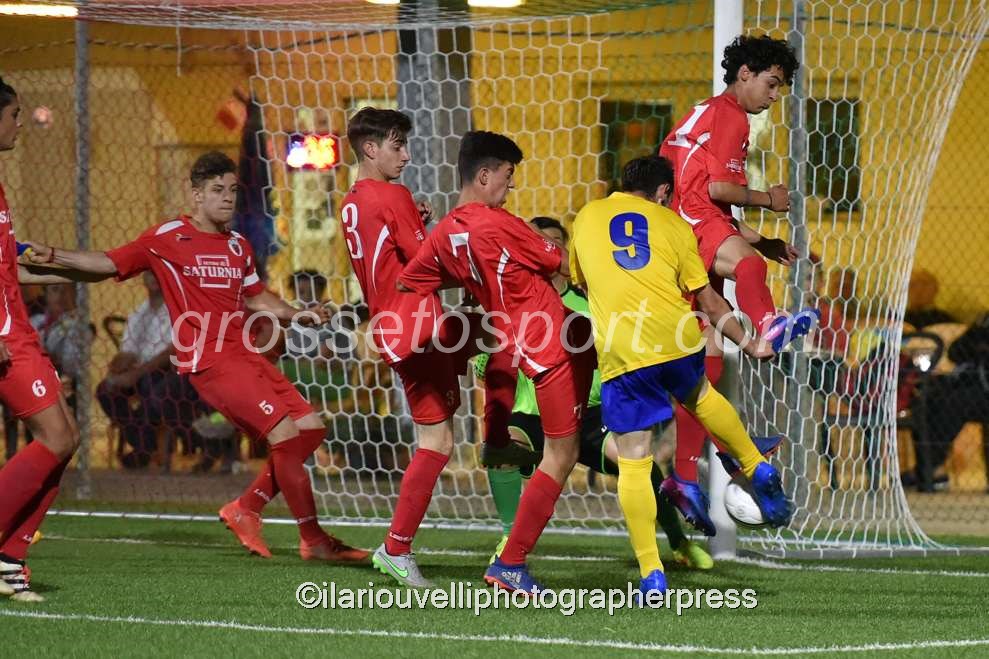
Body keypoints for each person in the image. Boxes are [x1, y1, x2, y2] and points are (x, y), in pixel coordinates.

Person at [25, 150, 367, 564]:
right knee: (284, 435)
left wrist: (299, 314)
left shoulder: (239, 245)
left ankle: (246, 508)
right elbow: (107, 262)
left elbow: (257, 297)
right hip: (211, 362)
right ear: (196, 195)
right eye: (217, 190)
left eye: (233, 190)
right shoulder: (167, 238)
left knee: (310, 429)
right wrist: (56, 255)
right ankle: (313, 540)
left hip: (246, 356)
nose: (228, 198)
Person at [570, 155, 791, 594]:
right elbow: (709, 301)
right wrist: (751, 344)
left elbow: (582, 281)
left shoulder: (587, 216)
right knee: (701, 397)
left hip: (624, 351)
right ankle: (755, 465)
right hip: (676, 339)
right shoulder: (674, 225)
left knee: (635, 460)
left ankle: (652, 574)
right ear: (662, 193)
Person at [399, 130, 594, 594]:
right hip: (549, 344)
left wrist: (473, 285)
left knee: (588, 350)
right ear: (484, 175)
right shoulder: (500, 223)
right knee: (562, 455)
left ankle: (505, 446)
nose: (511, 185)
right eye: (508, 175)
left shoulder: (445, 232)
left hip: (522, 341)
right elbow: (560, 262)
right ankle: (511, 562)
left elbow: (411, 281)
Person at [476, 217, 713, 571]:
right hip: (531, 414)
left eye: (554, 241)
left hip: (587, 414)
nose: (546, 248)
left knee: (638, 461)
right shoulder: (513, 302)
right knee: (501, 449)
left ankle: (678, 542)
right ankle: (510, 538)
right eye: (538, 241)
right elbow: (486, 368)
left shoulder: (591, 303)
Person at [658, 34, 817, 532]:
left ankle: (687, 474)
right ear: (744, 73)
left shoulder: (702, 112)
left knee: (702, 357)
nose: (774, 96)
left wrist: (761, 240)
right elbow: (719, 190)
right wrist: (770, 200)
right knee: (749, 269)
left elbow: (708, 200)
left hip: (681, 226)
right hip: (692, 224)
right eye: (772, 83)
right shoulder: (730, 115)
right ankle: (767, 326)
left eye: (780, 87)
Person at [339, 108, 492, 588]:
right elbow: (427, 264)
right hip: (417, 327)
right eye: (397, 145)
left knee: (440, 436)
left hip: (394, 325)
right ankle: (397, 547)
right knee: (440, 440)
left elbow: (394, 252)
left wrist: (416, 222)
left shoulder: (353, 200)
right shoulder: (393, 195)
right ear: (370, 148)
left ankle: (398, 547)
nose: (406, 155)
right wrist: (483, 265)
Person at [0, 75, 113, 601]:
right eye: (14, 114)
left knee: (64, 435)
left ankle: (9, 559)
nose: (21, 123)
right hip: (5, 334)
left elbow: (10, 265)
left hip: (18, 329)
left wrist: (74, 266)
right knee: (58, 437)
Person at [96, 271, 201, 469]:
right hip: (140, 369)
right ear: (143, 278)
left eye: (158, 273)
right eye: (149, 273)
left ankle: (145, 449)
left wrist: (135, 374)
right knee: (105, 390)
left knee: (149, 385)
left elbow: (172, 352)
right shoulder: (138, 314)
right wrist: (116, 368)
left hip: (169, 370)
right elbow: (129, 351)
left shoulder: (179, 309)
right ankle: (145, 445)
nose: (153, 277)